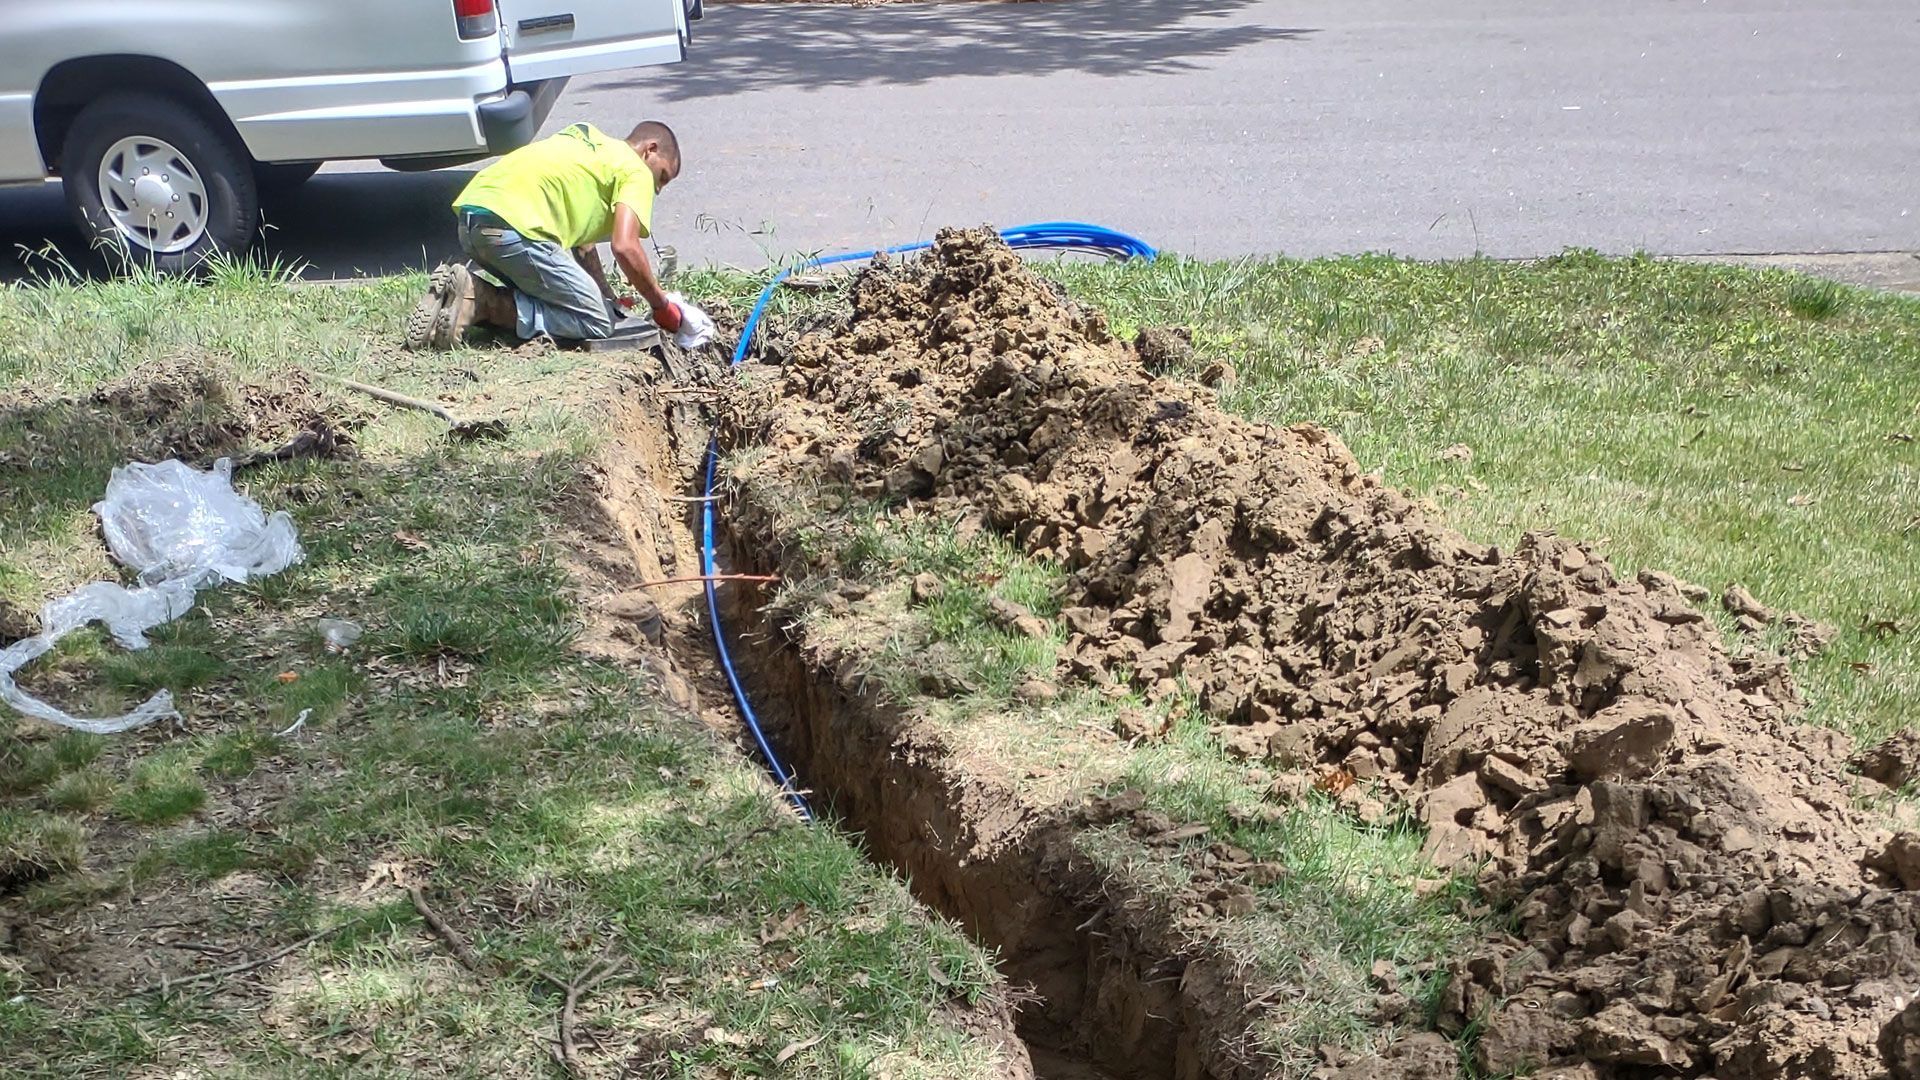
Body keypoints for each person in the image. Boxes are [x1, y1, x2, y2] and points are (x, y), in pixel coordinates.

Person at [407, 119, 683, 350]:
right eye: (662, 177)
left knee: (570, 300)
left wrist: (606, 295)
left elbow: (584, 245)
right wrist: (661, 305)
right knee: (597, 321)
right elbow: (625, 246)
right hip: (514, 230)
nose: (657, 189)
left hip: (473, 223)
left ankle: (452, 303)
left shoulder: (586, 138)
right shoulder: (634, 169)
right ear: (650, 150)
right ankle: (481, 301)